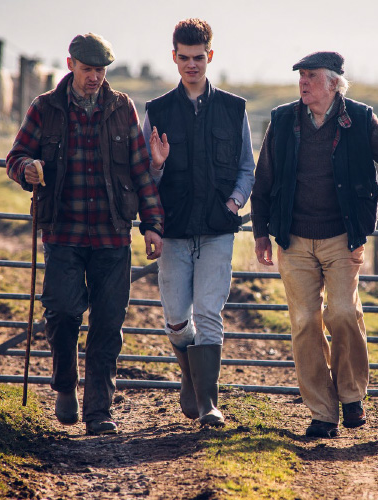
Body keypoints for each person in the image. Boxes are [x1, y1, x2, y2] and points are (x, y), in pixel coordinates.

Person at [250, 51, 378, 438]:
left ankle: (351, 395)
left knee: (344, 313)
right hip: (294, 239)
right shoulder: (283, 120)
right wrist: (261, 232)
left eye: (311, 76)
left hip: (342, 238)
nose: (303, 82)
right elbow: (264, 178)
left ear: (334, 83)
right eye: (301, 76)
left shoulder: (360, 119)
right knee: (304, 322)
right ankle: (322, 412)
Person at [6, 33, 164, 436]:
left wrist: (152, 224)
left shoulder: (122, 108)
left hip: (113, 233)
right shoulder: (45, 108)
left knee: (108, 323)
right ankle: (64, 385)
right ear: (71, 64)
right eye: (88, 69)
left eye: (101, 70)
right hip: (63, 230)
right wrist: (26, 169)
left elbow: (140, 170)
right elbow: (15, 156)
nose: (95, 77)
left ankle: (99, 411)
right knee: (62, 311)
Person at [142, 18, 256, 427]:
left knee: (208, 313)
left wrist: (234, 203)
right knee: (176, 319)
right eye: (184, 58)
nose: (192, 64)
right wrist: (157, 165)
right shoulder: (157, 111)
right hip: (173, 231)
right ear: (174, 58)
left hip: (217, 230)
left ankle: (208, 402)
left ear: (210, 56)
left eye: (198, 58)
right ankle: (191, 377)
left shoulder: (233, 108)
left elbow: (246, 168)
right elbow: (144, 179)